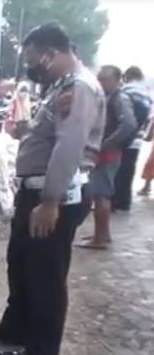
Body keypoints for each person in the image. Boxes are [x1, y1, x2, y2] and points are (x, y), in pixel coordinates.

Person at [0, 23, 105, 355]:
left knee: (45, 273)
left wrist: (49, 202)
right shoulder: (60, 85)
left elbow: (69, 146)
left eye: (33, 60)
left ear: (50, 54)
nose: (32, 67)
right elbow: (48, 133)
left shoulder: (79, 88)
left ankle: (42, 349)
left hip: (56, 196)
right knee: (20, 263)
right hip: (35, 193)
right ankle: (15, 326)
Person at [77, 66, 137, 249]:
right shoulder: (110, 97)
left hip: (106, 154)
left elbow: (129, 124)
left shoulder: (119, 98)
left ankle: (100, 239)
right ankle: (102, 234)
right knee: (100, 194)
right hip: (105, 152)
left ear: (117, 80)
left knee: (100, 194)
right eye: (99, 78)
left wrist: (106, 144)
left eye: (104, 79)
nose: (100, 82)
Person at [113, 66, 152, 210]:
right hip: (137, 139)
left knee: (118, 170)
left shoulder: (126, 91)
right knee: (129, 170)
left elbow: (122, 116)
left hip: (123, 137)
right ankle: (125, 202)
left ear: (127, 77)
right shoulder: (146, 94)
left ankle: (115, 201)